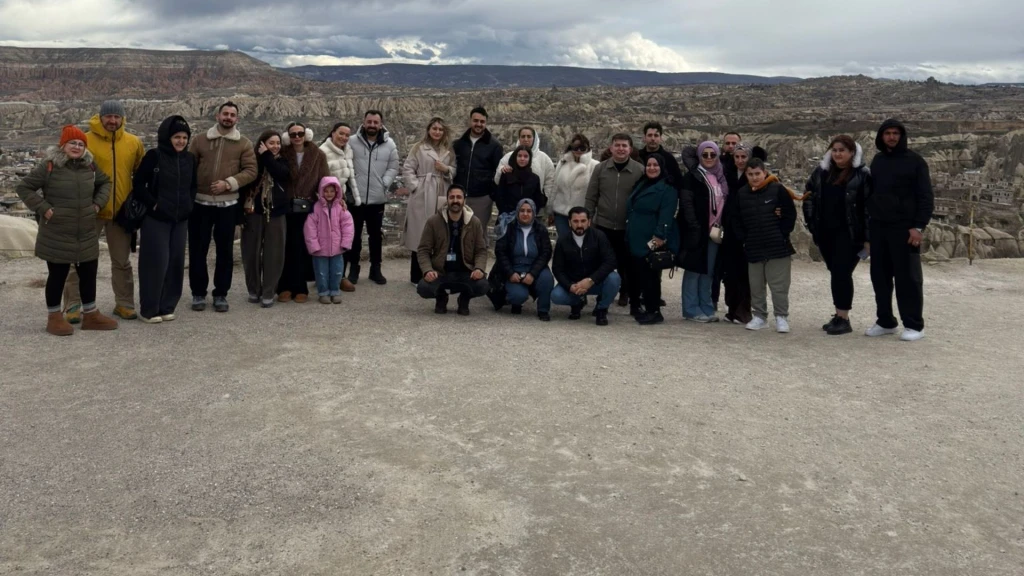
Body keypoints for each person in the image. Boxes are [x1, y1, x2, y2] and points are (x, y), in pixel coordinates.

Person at [15, 125, 117, 335]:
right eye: (73, 143)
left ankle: (90, 315)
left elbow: (105, 182)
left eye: (81, 144)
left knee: (88, 272)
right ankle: (54, 317)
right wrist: (44, 209)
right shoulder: (49, 166)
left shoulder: (89, 166)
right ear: (63, 145)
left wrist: (97, 204)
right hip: (57, 232)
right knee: (58, 275)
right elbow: (24, 187)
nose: (77, 147)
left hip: (85, 230)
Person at [63, 100, 145, 323]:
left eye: (117, 117)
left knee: (122, 262)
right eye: (108, 116)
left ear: (123, 119)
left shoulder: (133, 142)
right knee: (77, 260)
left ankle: (124, 304)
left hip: (121, 213)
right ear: (100, 117)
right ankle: (72, 305)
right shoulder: (86, 141)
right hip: (91, 210)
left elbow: (140, 173)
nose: (112, 121)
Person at [865, 119, 934, 342]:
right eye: (888, 133)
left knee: (908, 279)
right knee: (880, 277)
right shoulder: (878, 160)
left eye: (895, 133)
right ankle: (885, 321)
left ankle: (914, 324)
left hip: (904, 229)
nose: (892, 137)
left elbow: (925, 197)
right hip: (879, 227)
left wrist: (918, 226)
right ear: (881, 136)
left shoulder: (915, 162)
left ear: (901, 136)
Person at [188, 101, 258, 313]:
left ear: (237, 118)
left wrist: (228, 183)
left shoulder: (243, 143)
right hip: (200, 204)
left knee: (225, 252)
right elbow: (189, 167)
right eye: (225, 113)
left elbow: (251, 170)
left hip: (228, 206)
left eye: (232, 114)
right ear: (217, 116)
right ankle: (198, 293)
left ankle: (221, 294)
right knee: (197, 251)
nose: (228, 117)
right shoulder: (200, 140)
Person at [803, 135, 870, 335]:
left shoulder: (862, 175)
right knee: (836, 273)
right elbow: (809, 195)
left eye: (842, 150)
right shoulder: (822, 172)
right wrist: (811, 221)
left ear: (852, 153)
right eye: (835, 150)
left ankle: (843, 318)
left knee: (841, 273)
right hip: (825, 233)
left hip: (849, 235)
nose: (838, 154)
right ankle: (839, 315)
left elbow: (868, 208)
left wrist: (868, 238)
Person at [133, 115, 197, 324]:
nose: (180, 141)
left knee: (176, 263)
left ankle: (167, 306)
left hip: (180, 219)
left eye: (184, 137)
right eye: (176, 136)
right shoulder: (154, 156)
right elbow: (138, 185)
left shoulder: (189, 159)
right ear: (167, 137)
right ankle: (149, 309)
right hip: (156, 219)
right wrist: (154, 204)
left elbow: (193, 186)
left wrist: (188, 205)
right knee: (155, 262)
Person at [732, 158, 797, 333]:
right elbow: (736, 219)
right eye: (750, 174)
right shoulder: (742, 194)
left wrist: (782, 233)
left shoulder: (778, 190)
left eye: (757, 174)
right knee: (756, 286)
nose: (754, 177)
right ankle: (759, 317)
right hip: (753, 246)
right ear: (746, 175)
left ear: (765, 173)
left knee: (779, 286)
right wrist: (744, 239)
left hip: (777, 246)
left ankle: (781, 317)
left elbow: (790, 213)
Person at [585, 133, 644, 313]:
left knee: (632, 267)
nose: (620, 149)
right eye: (617, 145)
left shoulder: (639, 170)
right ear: (611, 148)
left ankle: (634, 303)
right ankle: (601, 303)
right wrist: (588, 219)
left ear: (630, 149)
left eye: (624, 146)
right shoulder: (600, 169)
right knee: (603, 267)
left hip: (629, 228)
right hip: (604, 226)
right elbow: (591, 196)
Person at [416, 185, 489, 316]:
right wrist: (427, 270)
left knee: (483, 285)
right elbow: (423, 250)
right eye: (452, 197)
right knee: (423, 288)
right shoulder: (434, 221)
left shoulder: (474, 222)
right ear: (447, 200)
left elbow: (481, 250)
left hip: (466, 272)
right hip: (440, 272)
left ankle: (464, 298)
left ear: (464, 200)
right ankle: (441, 297)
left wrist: (479, 269)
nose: (455, 200)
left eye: (459, 197)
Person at [278, 122, 330, 303]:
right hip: (285, 207)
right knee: (285, 247)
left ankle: (300, 287)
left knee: (302, 248)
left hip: (307, 208)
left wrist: (332, 202)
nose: (297, 137)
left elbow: (325, 180)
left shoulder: (318, 155)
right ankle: (283, 286)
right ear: (288, 137)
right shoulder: (282, 154)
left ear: (306, 134)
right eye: (293, 134)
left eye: (300, 133)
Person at [626, 153, 680, 325]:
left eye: (655, 165)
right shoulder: (642, 184)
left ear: (662, 167)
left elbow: (666, 218)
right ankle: (642, 307)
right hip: (635, 237)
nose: (652, 168)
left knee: (650, 275)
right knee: (638, 273)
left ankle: (654, 310)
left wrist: (657, 241)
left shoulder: (667, 189)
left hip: (652, 239)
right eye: (649, 165)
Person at [678, 141, 729, 322]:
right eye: (705, 155)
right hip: (697, 230)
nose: (709, 158)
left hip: (714, 232)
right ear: (699, 156)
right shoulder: (692, 177)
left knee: (708, 271)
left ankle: (706, 307)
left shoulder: (720, 176)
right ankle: (691, 309)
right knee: (694, 270)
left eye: (712, 154)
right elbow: (687, 203)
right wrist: (694, 226)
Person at [401, 117, 456, 284]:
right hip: (423, 193)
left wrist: (446, 169)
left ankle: (438, 273)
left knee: (440, 232)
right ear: (428, 130)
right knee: (420, 233)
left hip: (442, 191)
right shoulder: (418, 147)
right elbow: (408, 168)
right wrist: (416, 186)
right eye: (434, 129)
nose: (437, 132)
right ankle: (417, 275)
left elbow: (455, 169)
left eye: (440, 129)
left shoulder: (449, 150)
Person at [348, 110, 399, 285]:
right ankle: (353, 268)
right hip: (356, 198)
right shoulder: (352, 141)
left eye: (375, 122)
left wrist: (384, 183)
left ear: (380, 124)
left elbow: (394, 167)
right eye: (369, 121)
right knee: (353, 236)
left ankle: (375, 268)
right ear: (363, 122)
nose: (372, 125)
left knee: (375, 236)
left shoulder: (389, 144)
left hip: (377, 199)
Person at [241, 129, 290, 308]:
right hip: (253, 212)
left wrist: (268, 156)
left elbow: (280, 174)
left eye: (278, 143)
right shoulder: (253, 163)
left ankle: (269, 291)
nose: (276, 146)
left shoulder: (283, 162)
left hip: (276, 212)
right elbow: (245, 183)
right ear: (262, 144)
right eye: (271, 143)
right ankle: (253, 289)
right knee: (251, 252)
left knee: (274, 253)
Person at [551, 207, 622, 326]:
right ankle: (577, 302)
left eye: (583, 221)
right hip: (574, 283)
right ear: (569, 222)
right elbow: (557, 268)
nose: (579, 225)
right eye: (575, 221)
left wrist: (591, 280)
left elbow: (610, 261)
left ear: (589, 221)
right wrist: (570, 286)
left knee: (614, 279)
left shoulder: (599, 236)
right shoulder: (563, 240)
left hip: (595, 282)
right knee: (556, 296)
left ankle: (601, 309)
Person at [491, 198, 554, 320]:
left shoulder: (541, 229)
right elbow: (500, 252)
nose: (525, 214)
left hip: (535, 266)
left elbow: (546, 253)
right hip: (514, 267)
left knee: (547, 280)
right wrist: (510, 273)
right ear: (517, 212)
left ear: (534, 213)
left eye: (529, 211)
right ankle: (515, 301)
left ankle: (543, 310)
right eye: (522, 210)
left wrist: (533, 274)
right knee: (518, 295)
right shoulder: (508, 228)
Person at [319, 121, 362, 292]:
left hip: (341, 201)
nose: (344, 137)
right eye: (341, 133)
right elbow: (321, 180)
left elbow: (348, 179)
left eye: (346, 135)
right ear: (332, 133)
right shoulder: (323, 152)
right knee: (328, 240)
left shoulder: (347, 151)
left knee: (341, 239)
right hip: (327, 202)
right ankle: (328, 277)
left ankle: (338, 275)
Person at [453, 106, 504, 240]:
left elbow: (498, 173)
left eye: (482, 121)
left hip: (482, 198)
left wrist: (491, 195)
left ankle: (478, 261)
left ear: (486, 123)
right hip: (460, 196)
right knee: (457, 233)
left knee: (478, 235)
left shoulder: (494, 146)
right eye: (476, 121)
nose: (479, 124)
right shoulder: (459, 144)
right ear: (470, 121)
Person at [304, 177, 355, 304]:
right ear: (321, 192)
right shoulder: (316, 208)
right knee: (321, 272)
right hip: (320, 248)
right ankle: (323, 292)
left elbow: (348, 226)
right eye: (326, 191)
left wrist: (345, 243)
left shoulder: (341, 208)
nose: (329, 194)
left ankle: (335, 290)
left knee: (337, 271)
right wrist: (314, 246)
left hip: (337, 248)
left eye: (332, 191)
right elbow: (310, 229)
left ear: (337, 191)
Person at [718, 143, 753, 325]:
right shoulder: (727, 175)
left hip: (747, 230)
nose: (740, 160)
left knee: (745, 273)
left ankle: (744, 310)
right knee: (730, 272)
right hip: (729, 230)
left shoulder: (753, 176)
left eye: (743, 157)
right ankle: (732, 308)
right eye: (737, 157)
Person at [549, 134, 598, 240]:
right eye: (576, 147)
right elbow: (555, 187)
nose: (579, 150)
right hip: (561, 213)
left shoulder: (594, 166)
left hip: (582, 216)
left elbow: (597, 192)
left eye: (582, 148)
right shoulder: (562, 164)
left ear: (588, 149)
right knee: (564, 244)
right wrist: (550, 209)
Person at [493, 145, 547, 239]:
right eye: (519, 156)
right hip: (507, 219)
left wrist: (530, 213)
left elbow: (537, 198)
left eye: (525, 156)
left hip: (528, 220)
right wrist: (507, 213)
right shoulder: (506, 175)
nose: (522, 159)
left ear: (529, 159)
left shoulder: (534, 178)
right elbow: (500, 196)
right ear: (515, 157)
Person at [494, 126, 556, 196]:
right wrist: (502, 170)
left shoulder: (544, 159)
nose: (526, 139)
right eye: (523, 136)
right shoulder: (508, 157)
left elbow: (550, 182)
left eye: (529, 136)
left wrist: (544, 200)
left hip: (535, 204)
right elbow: (497, 181)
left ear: (534, 138)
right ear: (519, 138)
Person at [638, 121, 684, 188]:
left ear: (661, 138)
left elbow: (678, 182)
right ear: (644, 137)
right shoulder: (637, 157)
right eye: (650, 135)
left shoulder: (669, 159)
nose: (653, 139)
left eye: (656, 135)